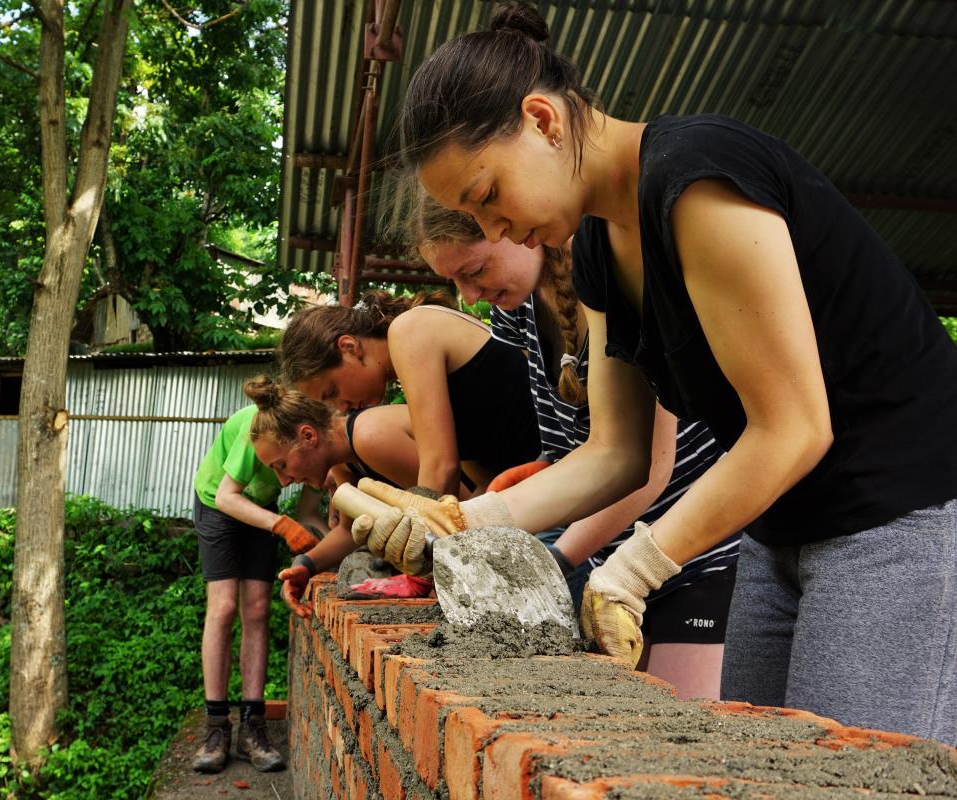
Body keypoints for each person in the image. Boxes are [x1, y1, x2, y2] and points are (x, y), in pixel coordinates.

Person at [355, 2, 957, 745]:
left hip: (900, 510)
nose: (494, 231)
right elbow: (616, 455)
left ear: (543, 121)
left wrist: (633, 570)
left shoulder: (696, 179)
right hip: (781, 528)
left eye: (487, 198)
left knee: (861, 771)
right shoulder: (601, 252)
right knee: (758, 764)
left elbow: (795, 426)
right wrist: (458, 524)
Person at [408, 197, 738, 699]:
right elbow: (565, 450)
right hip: (610, 552)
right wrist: (530, 481)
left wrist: (559, 559)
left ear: (512, 227)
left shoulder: (617, 282)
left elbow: (645, 468)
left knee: (679, 732)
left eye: (474, 270)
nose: (469, 296)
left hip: (689, 550)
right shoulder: (515, 313)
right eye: (455, 282)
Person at [239, 375, 474, 615]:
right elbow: (346, 531)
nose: (283, 480)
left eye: (282, 465)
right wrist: (304, 565)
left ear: (308, 436)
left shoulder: (369, 438)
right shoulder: (344, 461)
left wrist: (420, 580)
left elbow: (460, 504)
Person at [279, 290, 541, 495]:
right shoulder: (412, 372)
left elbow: (440, 467)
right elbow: (486, 481)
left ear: (349, 347)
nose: (342, 406)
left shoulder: (409, 330)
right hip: (537, 487)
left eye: (333, 391)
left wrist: (419, 536)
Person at [189, 401, 321, 773]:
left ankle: (253, 726)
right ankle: (216, 727)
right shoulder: (255, 432)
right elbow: (226, 497)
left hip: (260, 508)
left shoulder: (308, 430)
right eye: (276, 468)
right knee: (224, 606)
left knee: (259, 610)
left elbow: (317, 499)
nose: (283, 477)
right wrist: (281, 525)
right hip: (219, 503)